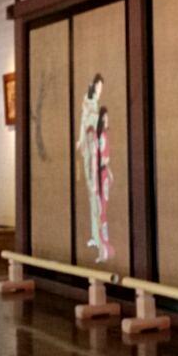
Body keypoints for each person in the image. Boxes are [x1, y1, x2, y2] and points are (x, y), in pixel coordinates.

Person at [76, 74, 104, 252]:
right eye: (99, 87)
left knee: (95, 193)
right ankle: (95, 235)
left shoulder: (93, 105)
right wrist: (81, 141)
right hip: (89, 149)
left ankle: (98, 235)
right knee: (92, 193)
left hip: (94, 150)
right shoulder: (89, 104)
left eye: (102, 88)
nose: (100, 91)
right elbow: (83, 124)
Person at [94, 107, 115, 263]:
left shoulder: (104, 136)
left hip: (104, 174)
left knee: (102, 210)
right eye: (105, 118)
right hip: (101, 174)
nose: (107, 121)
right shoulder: (100, 136)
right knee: (100, 210)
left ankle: (105, 246)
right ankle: (103, 247)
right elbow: (99, 158)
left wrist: (109, 170)